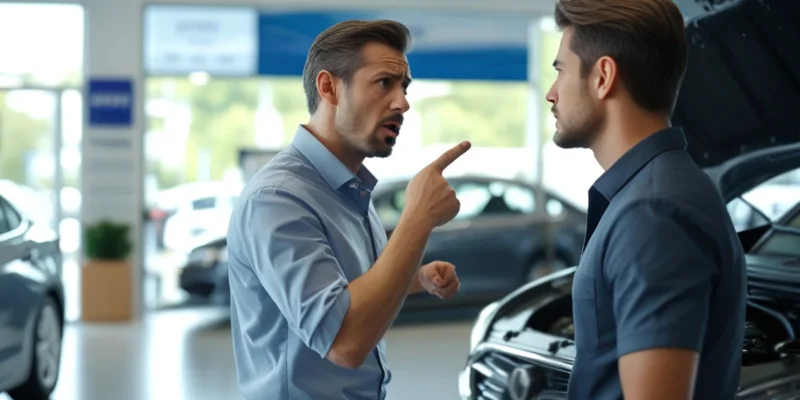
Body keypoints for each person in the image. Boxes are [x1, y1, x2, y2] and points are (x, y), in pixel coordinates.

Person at [226, 19, 471, 400]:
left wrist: (416, 277)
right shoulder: (277, 198)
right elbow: (344, 341)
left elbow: (351, 286)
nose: (402, 103)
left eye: (404, 87)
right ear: (329, 87)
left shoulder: (348, 189)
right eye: (384, 83)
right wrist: (417, 219)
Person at [545, 0, 747, 399]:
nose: (552, 94)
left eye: (560, 71)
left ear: (603, 76)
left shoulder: (653, 214)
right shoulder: (653, 194)